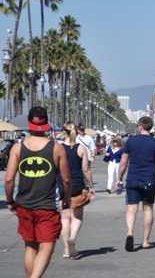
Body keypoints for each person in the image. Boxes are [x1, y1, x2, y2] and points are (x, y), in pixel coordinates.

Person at [4, 106, 72, 278]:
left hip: (24, 205)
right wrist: (67, 198)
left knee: (30, 246)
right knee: (47, 245)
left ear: (29, 123)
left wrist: (10, 201)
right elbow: (66, 179)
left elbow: (9, 179)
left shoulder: (18, 149)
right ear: (46, 124)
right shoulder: (56, 148)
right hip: (47, 205)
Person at [117, 116, 155, 252]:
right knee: (148, 209)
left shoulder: (130, 141)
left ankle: (130, 232)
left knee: (132, 209)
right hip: (149, 179)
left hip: (132, 179)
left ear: (140, 127)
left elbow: (123, 162)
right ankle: (145, 241)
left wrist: (119, 179)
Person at [59, 122, 96, 258]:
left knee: (64, 218)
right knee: (77, 216)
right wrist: (91, 186)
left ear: (64, 132)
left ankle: (66, 250)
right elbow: (85, 170)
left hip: (62, 185)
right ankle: (72, 238)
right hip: (77, 185)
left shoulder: (58, 148)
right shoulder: (81, 148)